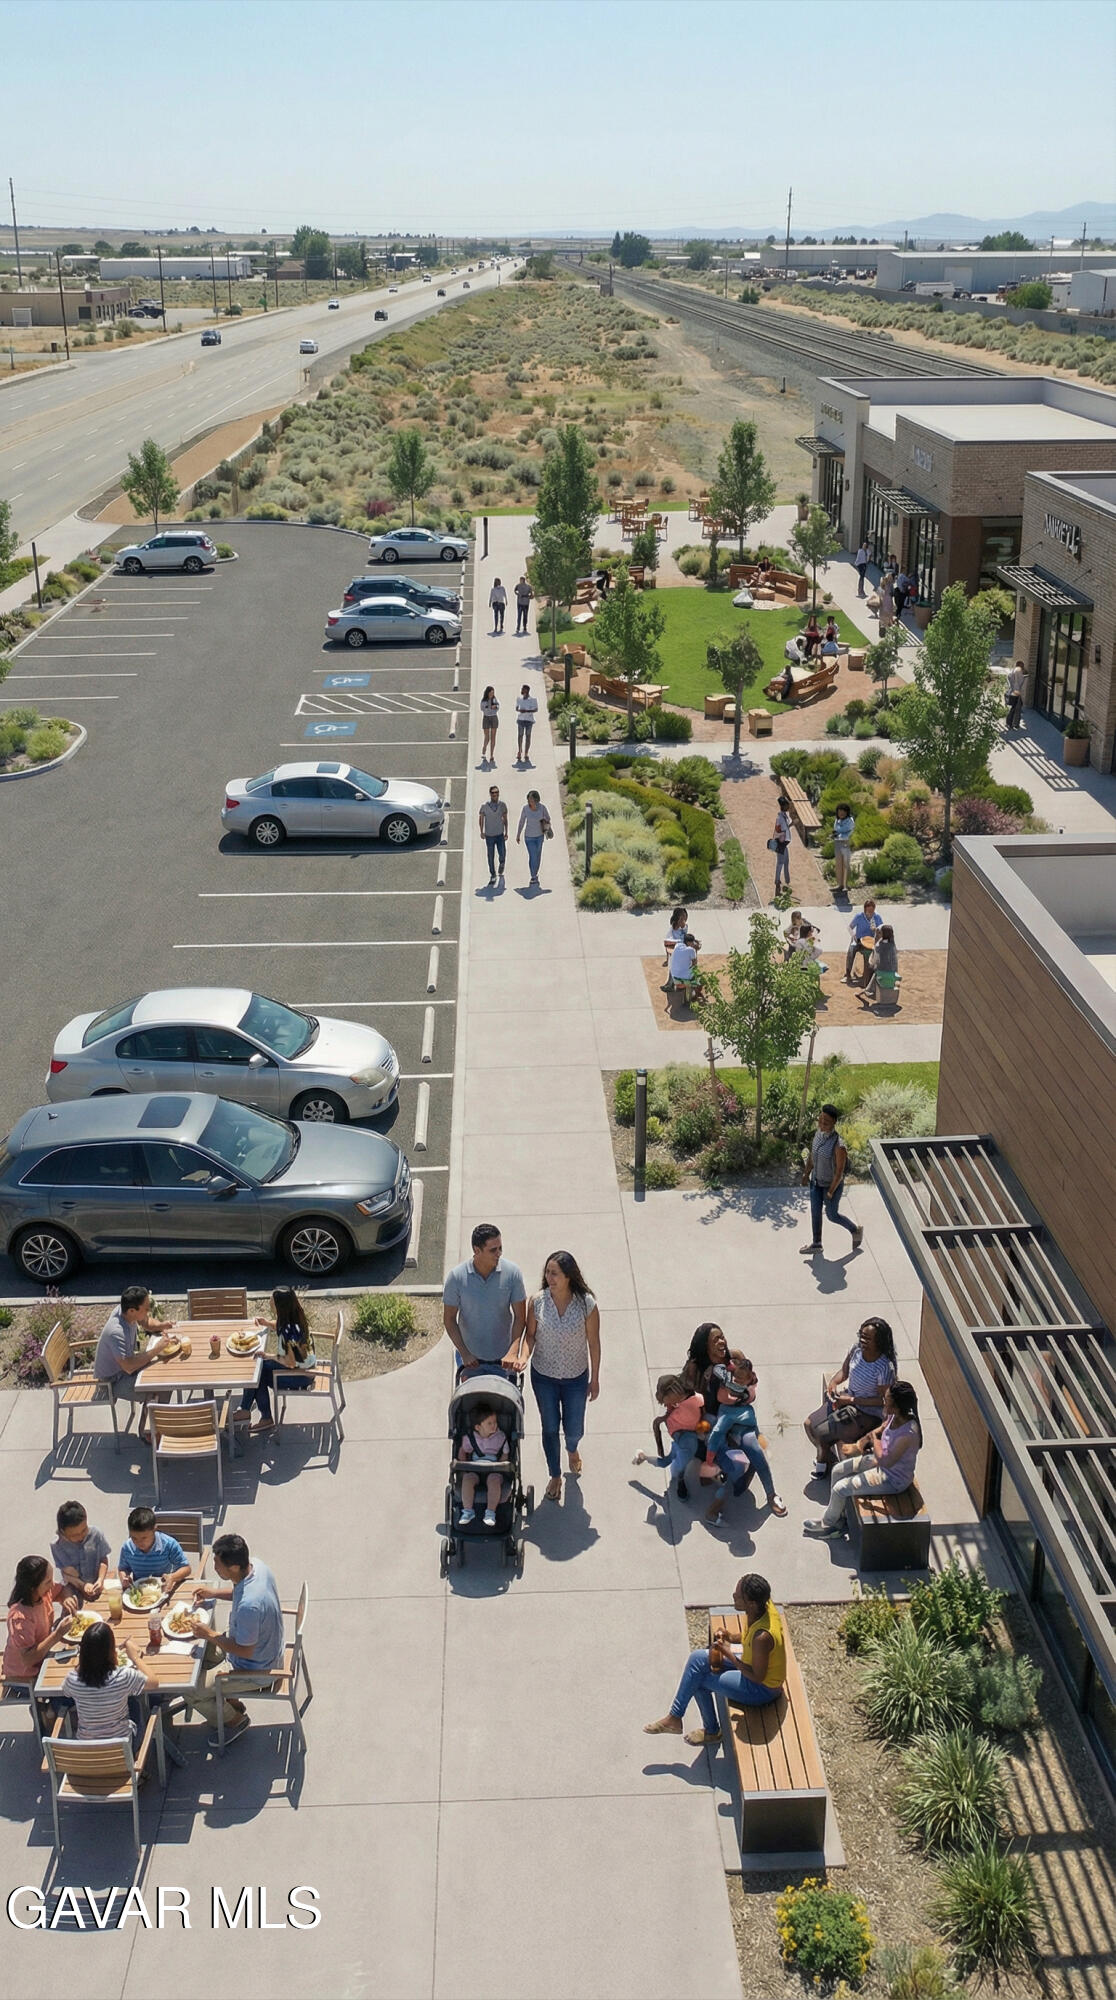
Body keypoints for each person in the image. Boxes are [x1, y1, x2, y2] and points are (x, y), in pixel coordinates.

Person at [644, 1573, 786, 1744]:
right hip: (751, 1664)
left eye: (739, 1595)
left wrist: (729, 1653)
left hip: (762, 1689)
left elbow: (757, 1676)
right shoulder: (762, 1608)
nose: (734, 1595)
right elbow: (749, 1636)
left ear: (751, 1603)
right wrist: (731, 1637)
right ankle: (674, 1717)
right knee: (697, 1658)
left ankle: (712, 1731)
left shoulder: (762, 1637)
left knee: (699, 1681)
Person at [187, 1533, 284, 1750]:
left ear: (233, 1567)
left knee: (191, 1690)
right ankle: (229, 1703)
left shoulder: (249, 1607)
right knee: (196, 1653)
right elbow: (239, 1591)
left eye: (217, 1563)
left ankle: (235, 1721)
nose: (214, 1568)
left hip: (255, 1669)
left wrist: (208, 1634)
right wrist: (214, 1593)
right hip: (263, 1648)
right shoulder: (257, 1567)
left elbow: (245, 1651)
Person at [524, 1250, 601, 1501]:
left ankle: (572, 1449)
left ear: (569, 1276)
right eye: (547, 1272)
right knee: (549, 1427)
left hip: (575, 1379)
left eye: (554, 1273)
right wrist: (524, 1356)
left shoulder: (586, 1304)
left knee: (573, 1428)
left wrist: (595, 1378)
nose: (549, 1278)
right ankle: (555, 1474)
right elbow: (531, 1334)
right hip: (543, 1376)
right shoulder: (537, 1302)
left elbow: (594, 1343)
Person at [804, 1381, 921, 1537]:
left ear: (898, 1407)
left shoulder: (908, 1433)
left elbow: (886, 1460)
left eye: (887, 1401)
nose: (883, 1402)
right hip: (879, 1462)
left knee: (840, 1489)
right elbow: (880, 1429)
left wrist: (874, 1440)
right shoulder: (894, 1416)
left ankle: (831, 1524)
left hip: (892, 1478)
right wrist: (860, 1444)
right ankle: (840, 1515)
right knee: (838, 1470)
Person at [805, 1317, 898, 1477]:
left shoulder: (885, 1367)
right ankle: (827, 1457)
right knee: (808, 1424)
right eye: (861, 1335)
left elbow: (884, 1400)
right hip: (847, 1399)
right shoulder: (856, 1349)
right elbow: (844, 1372)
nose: (862, 1340)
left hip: (868, 1412)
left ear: (880, 1341)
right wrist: (833, 1383)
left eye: (868, 1338)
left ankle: (822, 1464)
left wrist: (851, 1401)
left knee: (822, 1433)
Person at [702, 1353, 787, 1523]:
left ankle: (771, 1494)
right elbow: (717, 1433)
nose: (739, 1383)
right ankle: (715, 1507)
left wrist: (744, 1394)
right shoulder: (724, 1379)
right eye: (737, 1379)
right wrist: (709, 1459)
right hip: (725, 1425)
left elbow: (750, 1395)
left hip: (745, 1427)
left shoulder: (749, 1384)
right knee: (735, 1470)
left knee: (756, 1452)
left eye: (744, 1380)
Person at [443, 1223, 528, 1372]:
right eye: (493, 1250)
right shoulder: (456, 1277)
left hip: (503, 1361)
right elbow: (449, 1319)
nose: (499, 1253)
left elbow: (520, 1317)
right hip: (471, 1361)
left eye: (500, 1248)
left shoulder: (513, 1274)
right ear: (477, 1250)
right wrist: (465, 1353)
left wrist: (513, 1353)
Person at [61, 1621, 158, 1742]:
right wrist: (135, 1657)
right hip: (122, 1748)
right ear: (111, 1651)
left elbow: (66, 1692)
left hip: (87, 1748)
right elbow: (154, 1683)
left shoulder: (73, 1680)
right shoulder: (123, 1676)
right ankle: (138, 1751)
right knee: (135, 1703)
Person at [235, 1287, 316, 1432]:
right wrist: (266, 1323)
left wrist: (268, 1355)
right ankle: (246, 1409)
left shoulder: (289, 1331)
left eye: (272, 1300)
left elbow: (290, 1362)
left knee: (258, 1374)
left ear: (279, 1305)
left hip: (301, 1376)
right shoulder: (294, 1316)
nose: (269, 1301)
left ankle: (260, 1415)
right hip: (304, 1368)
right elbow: (279, 1324)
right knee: (259, 1368)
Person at [93, 1285, 176, 1418]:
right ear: (132, 1310)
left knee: (164, 1371)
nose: (148, 1311)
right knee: (162, 1388)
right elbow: (129, 1367)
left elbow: (146, 1321)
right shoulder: (117, 1331)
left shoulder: (127, 1312)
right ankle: (149, 1432)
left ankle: (153, 1420)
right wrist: (157, 1349)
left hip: (125, 1369)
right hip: (113, 1382)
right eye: (146, 1308)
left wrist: (163, 1325)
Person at [3, 1555, 78, 1692]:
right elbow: (28, 1659)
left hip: (45, 1656)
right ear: (32, 1587)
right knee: (72, 1687)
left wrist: (66, 1599)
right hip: (24, 1675)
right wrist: (58, 1634)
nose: (52, 1585)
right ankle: (47, 1709)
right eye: (48, 1582)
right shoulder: (20, 1618)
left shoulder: (43, 1593)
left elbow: (62, 1589)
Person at [801, 1104, 863, 1257]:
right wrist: (806, 1173)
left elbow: (839, 1172)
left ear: (834, 1123)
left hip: (831, 1186)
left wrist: (830, 1192)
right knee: (815, 1212)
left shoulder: (838, 1146)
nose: (822, 1124)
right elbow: (812, 1157)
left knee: (831, 1215)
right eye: (821, 1119)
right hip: (816, 1182)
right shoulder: (818, 1134)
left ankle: (855, 1230)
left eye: (826, 1122)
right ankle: (816, 1243)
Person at [632, 1375, 706, 1497]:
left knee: (666, 1462)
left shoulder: (693, 1400)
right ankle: (680, 1479)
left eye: (667, 1401)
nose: (666, 1405)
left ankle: (643, 1457)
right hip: (683, 1438)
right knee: (677, 1462)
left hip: (688, 1435)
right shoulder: (678, 1407)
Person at [457, 1403, 510, 1526]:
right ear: (478, 1427)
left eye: (495, 1422)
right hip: (475, 1468)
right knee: (468, 1479)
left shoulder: (500, 1437)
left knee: (494, 1480)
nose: (494, 1425)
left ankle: (490, 1512)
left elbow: (504, 1455)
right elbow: (463, 1450)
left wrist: (503, 1464)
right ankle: (468, 1511)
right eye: (489, 1423)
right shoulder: (470, 1438)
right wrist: (463, 1466)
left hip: (493, 1469)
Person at [118, 1507, 190, 1594]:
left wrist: (172, 1577)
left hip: (162, 1589)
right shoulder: (127, 1548)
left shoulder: (168, 1544)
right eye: (134, 1538)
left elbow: (186, 1568)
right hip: (139, 1591)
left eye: (144, 1538)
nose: (139, 1543)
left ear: (155, 1530)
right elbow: (123, 1568)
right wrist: (124, 1578)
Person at [51, 1500, 110, 1601]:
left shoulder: (96, 1534)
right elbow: (67, 1574)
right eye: (74, 1535)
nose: (81, 1536)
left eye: (84, 1530)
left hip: (98, 1584)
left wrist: (100, 1579)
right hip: (74, 1588)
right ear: (62, 1532)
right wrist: (83, 1586)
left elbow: (103, 1559)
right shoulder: (57, 1546)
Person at [516, 790, 552, 887]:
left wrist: (545, 821)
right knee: (533, 856)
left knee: (538, 856)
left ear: (536, 799)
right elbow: (521, 821)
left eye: (531, 800)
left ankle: (535, 873)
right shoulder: (525, 809)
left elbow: (548, 818)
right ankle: (533, 876)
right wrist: (518, 834)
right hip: (529, 837)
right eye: (528, 800)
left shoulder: (542, 808)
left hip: (539, 836)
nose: (529, 802)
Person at [845, 898, 882, 981]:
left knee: (880, 951)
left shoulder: (877, 917)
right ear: (865, 909)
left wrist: (876, 930)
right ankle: (847, 973)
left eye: (872, 911)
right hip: (859, 940)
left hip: (872, 941)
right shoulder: (859, 916)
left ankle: (875, 974)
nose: (870, 913)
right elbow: (850, 927)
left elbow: (882, 930)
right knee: (851, 950)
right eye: (868, 911)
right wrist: (853, 934)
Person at [860, 923, 898, 1005]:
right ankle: (868, 989)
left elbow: (874, 961)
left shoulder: (880, 945)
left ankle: (868, 989)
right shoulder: (892, 943)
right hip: (893, 970)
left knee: (871, 968)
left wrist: (876, 937)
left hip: (882, 970)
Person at [479, 784, 508, 885]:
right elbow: (481, 819)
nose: (495, 794)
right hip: (489, 835)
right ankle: (493, 875)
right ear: (490, 794)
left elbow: (505, 819)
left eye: (496, 792)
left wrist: (506, 832)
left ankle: (502, 863)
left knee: (503, 853)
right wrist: (481, 831)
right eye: (493, 793)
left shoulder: (502, 805)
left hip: (500, 834)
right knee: (490, 856)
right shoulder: (484, 807)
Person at [667, 932, 702, 1004]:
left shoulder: (677, 945)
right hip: (684, 978)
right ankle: (694, 997)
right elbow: (695, 964)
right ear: (688, 942)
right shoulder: (691, 950)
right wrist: (695, 950)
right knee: (700, 982)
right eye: (692, 942)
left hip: (674, 975)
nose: (693, 943)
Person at [771, 796, 793, 896]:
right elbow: (783, 829)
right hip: (781, 844)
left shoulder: (784, 816)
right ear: (783, 806)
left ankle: (787, 880)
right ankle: (777, 881)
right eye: (787, 804)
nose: (789, 806)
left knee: (786, 861)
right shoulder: (780, 818)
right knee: (780, 863)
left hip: (784, 843)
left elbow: (786, 827)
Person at [832, 803, 855, 897]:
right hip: (837, 842)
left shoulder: (850, 821)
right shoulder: (837, 820)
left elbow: (845, 830)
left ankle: (846, 885)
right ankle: (839, 884)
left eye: (843, 811)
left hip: (845, 842)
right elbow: (836, 830)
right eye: (839, 811)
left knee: (845, 864)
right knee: (838, 865)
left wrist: (837, 832)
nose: (841, 813)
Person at [514, 684, 538, 763]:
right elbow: (516, 708)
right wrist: (519, 710)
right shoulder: (519, 699)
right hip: (521, 719)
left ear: (527, 690)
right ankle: (519, 750)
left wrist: (527, 711)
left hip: (529, 720)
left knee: (528, 736)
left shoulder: (533, 700)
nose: (522, 690)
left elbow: (535, 709)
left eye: (523, 689)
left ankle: (526, 753)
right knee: (520, 735)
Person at [480, 686, 499, 766]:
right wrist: (488, 706)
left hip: (494, 717)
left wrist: (495, 707)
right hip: (486, 717)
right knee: (487, 737)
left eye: (493, 693)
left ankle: (491, 755)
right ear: (487, 693)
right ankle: (484, 747)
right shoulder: (484, 701)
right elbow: (482, 708)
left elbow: (498, 707)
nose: (492, 694)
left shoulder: (494, 700)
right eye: (491, 693)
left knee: (493, 737)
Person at [1006, 659, 1025, 730]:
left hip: (1012, 691)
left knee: (1014, 708)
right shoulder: (1018, 672)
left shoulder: (1013, 671)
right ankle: (1012, 723)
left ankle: (1011, 723)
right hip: (1016, 692)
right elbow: (1017, 683)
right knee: (1015, 708)